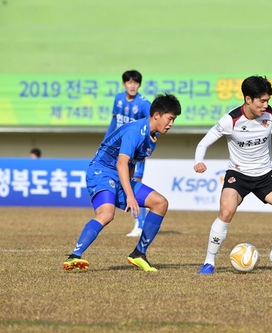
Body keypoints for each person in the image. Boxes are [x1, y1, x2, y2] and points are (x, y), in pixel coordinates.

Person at [195, 75, 272, 275]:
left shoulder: (270, 114)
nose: (266, 105)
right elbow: (203, 143)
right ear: (248, 99)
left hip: (265, 174)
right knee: (226, 212)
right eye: (261, 101)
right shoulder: (230, 120)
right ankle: (209, 262)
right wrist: (198, 161)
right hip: (238, 175)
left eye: (268, 100)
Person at [62, 93, 182, 272]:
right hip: (100, 172)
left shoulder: (152, 139)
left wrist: (128, 189)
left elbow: (130, 165)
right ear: (156, 115)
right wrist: (130, 195)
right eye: (170, 118)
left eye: (174, 120)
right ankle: (74, 256)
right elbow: (121, 163)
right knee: (107, 214)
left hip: (120, 175)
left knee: (160, 203)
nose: (171, 124)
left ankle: (139, 254)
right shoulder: (136, 130)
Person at [105, 70, 152, 237]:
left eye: (136, 83)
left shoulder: (144, 104)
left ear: (139, 85)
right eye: (129, 82)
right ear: (124, 83)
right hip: (120, 149)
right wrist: (106, 142)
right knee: (121, 183)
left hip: (136, 151)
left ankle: (140, 225)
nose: (132, 85)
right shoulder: (118, 99)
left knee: (134, 184)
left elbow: (153, 126)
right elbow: (114, 122)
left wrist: (147, 147)